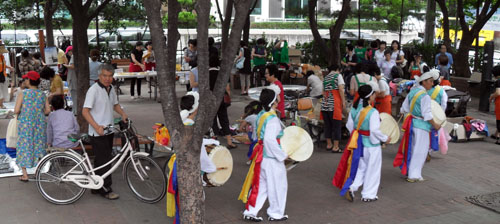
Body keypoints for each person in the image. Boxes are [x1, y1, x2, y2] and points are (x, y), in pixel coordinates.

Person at [333, 85, 389, 202]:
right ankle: (368, 195)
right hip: (371, 145)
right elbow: (374, 130)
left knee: (361, 168)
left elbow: (350, 126)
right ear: (370, 96)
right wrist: (384, 138)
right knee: (372, 169)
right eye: (374, 94)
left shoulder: (354, 109)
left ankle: (352, 187)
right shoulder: (372, 112)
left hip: (359, 143)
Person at [240, 87, 289, 222]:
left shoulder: (261, 114)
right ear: (274, 101)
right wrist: (283, 155)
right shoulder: (272, 119)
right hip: (271, 158)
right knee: (278, 185)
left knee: (261, 186)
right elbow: (270, 140)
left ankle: (250, 211)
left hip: (261, 156)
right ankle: (276, 213)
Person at [82, 63, 128, 200]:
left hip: (109, 130)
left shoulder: (111, 88)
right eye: (105, 76)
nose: (107, 79)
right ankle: (106, 189)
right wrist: (96, 127)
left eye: (110, 76)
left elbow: (115, 104)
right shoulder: (93, 90)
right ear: (99, 76)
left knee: (101, 160)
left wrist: (123, 114)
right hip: (98, 132)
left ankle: (96, 186)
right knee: (105, 161)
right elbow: (85, 111)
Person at [393, 70, 442, 182]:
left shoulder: (412, 92)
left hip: (412, 123)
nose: (431, 83)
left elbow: (403, 109)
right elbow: (427, 115)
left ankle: (410, 171)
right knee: (420, 150)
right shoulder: (425, 96)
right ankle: (413, 175)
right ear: (423, 82)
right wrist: (435, 125)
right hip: (422, 126)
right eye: (430, 81)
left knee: (412, 148)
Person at [14, 71, 51, 182]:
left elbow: (16, 110)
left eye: (26, 79)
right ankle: (37, 172)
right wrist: (38, 113)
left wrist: (25, 112)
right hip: (39, 123)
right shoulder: (42, 94)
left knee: (24, 145)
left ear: (29, 81)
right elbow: (48, 110)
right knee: (39, 145)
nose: (25, 81)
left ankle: (25, 174)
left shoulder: (23, 93)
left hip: (26, 123)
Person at [208, 42, 237, 149]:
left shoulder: (206, 75)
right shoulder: (222, 74)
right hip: (221, 99)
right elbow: (227, 88)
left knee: (212, 120)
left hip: (211, 99)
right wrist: (228, 97)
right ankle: (229, 141)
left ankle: (214, 141)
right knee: (224, 119)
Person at [321, 64, 346, 153]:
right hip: (334, 104)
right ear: (337, 69)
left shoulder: (325, 77)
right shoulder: (338, 76)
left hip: (325, 104)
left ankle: (329, 144)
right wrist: (343, 101)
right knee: (336, 125)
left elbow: (323, 92)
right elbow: (341, 89)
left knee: (327, 125)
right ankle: (336, 147)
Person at [63, 46, 77, 115]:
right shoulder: (76, 57)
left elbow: (72, 66)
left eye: (68, 52)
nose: (67, 54)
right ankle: (75, 110)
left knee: (74, 96)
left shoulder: (73, 57)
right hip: (75, 79)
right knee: (74, 96)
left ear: (70, 51)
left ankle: (75, 111)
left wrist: (65, 65)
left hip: (73, 80)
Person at [0, 44, 14, 109]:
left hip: (3, 75)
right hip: (1, 76)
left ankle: (1, 104)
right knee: (1, 92)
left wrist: (9, 67)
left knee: (4, 91)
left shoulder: (2, 57)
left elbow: (3, 65)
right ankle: (1, 105)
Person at [489, 65, 500, 143]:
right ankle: (496, 134)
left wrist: (491, 97)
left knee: (499, 120)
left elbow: (498, 92)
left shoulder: (498, 81)